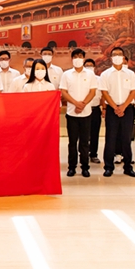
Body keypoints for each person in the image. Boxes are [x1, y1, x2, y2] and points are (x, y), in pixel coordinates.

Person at [99, 47, 135, 178]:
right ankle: (108, 167)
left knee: (126, 138)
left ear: (123, 58)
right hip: (112, 109)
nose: (117, 56)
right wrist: (115, 107)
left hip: (127, 109)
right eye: (114, 54)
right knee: (110, 138)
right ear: (111, 58)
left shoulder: (130, 74)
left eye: (119, 54)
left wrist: (123, 107)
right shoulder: (105, 74)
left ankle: (128, 167)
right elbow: (104, 93)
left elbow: (134, 91)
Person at [60, 48, 98, 178]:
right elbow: (64, 92)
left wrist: (83, 104)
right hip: (72, 114)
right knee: (72, 142)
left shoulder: (90, 74)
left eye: (80, 56)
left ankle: (85, 167)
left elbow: (92, 92)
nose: (78, 59)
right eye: (75, 57)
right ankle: (72, 167)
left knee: (84, 142)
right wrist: (76, 103)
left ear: (83, 58)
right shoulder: (66, 74)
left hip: (86, 113)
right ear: (72, 59)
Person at [84, 59, 103, 164]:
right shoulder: (81, 79)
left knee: (95, 133)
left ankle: (93, 154)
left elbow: (103, 95)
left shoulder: (99, 80)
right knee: (83, 134)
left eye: (91, 65)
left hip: (95, 109)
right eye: (87, 65)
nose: (89, 67)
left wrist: (104, 108)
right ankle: (83, 154)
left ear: (94, 67)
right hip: (83, 109)